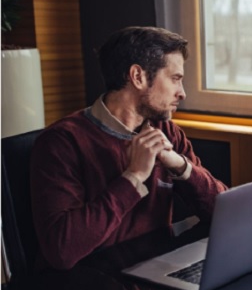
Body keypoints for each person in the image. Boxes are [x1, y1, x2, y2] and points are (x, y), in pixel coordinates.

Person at [30, 26, 228, 270]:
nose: (183, 93)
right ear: (138, 76)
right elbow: (62, 250)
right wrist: (133, 177)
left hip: (155, 282)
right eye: (176, 78)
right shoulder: (61, 143)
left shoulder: (166, 132)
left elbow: (225, 213)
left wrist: (180, 165)